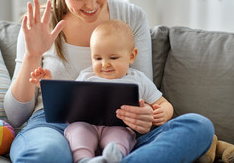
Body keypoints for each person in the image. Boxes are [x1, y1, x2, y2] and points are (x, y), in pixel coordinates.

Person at [4, 0, 214, 163]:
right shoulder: (38, 25)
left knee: (198, 126)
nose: (92, 4)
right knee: (46, 154)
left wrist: (146, 116)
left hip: (121, 129)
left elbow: (140, 87)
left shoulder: (131, 17)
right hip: (54, 125)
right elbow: (16, 115)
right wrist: (33, 55)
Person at [29, 19, 174, 163]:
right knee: (78, 132)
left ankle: (113, 157)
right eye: (97, 58)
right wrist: (48, 83)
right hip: (86, 125)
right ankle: (84, 159)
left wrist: (164, 113)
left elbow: (163, 103)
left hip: (119, 127)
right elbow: (68, 102)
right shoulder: (86, 76)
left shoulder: (138, 79)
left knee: (120, 137)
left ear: (131, 56)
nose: (105, 64)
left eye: (113, 57)